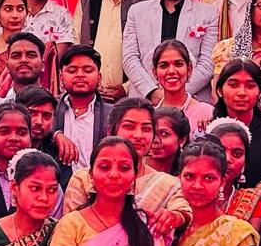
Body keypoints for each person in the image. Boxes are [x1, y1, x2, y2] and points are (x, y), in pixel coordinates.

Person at [62, 97, 191, 233]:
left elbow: (183, 211)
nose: (138, 135)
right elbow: (69, 230)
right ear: (111, 131)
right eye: (129, 126)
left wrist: (176, 216)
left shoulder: (167, 184)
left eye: (146, 128)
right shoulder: (83, 179)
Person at [122, 0, 218, 105]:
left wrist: (177, 93)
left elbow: (208, 63)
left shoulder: (208, 13)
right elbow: (129, 58)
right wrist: (152, 92)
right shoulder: (137, 12)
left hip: (192, 102)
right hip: (145, 100)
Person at [71, 0, 155, 102]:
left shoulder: (149, 0)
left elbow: (154, 53)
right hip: (92, 95)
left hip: (134, 96)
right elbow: (76, 42)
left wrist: (127, 87)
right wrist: (88, 80)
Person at [214, 61, 261, 187]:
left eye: (250, 86)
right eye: (233, 85)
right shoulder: (207, 130)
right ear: (220, 91)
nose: (242, 92)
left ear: (260, 93)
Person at [53, 45, 113, 156]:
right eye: (72, 71)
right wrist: (55, 134)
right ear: (61, 78)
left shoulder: (113, 114)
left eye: (87, 70)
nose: (80, 75)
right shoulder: (50, 110)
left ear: (99, 78)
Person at [146, 40, 212, 130]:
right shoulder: (149, 116)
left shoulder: (207, 113)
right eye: (164, 65)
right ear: (155, 73)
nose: (171, 71)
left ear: (189, 69)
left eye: (178, 64)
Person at [149, 106, 192, 176]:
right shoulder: (133, 170)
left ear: (182, 140)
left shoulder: (187, 175)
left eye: (164, 134)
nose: (155, 140)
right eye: (151, 132)